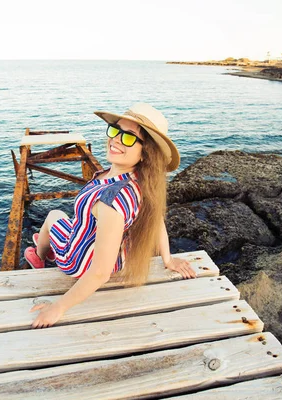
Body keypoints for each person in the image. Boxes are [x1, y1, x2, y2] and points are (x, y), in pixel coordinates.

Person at [24, 103, 196, 329]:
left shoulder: (112, 201)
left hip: (81, 262)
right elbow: (156, 221)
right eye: (115, 130)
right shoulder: (141, 182)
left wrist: (58, 307)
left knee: (53, 215)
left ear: (146, 153)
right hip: (115, 257)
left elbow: (100, 272)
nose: (115, 139)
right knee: (71, 221)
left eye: (128, 137)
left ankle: (40, 256)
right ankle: (51, 243)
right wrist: (168, 258)